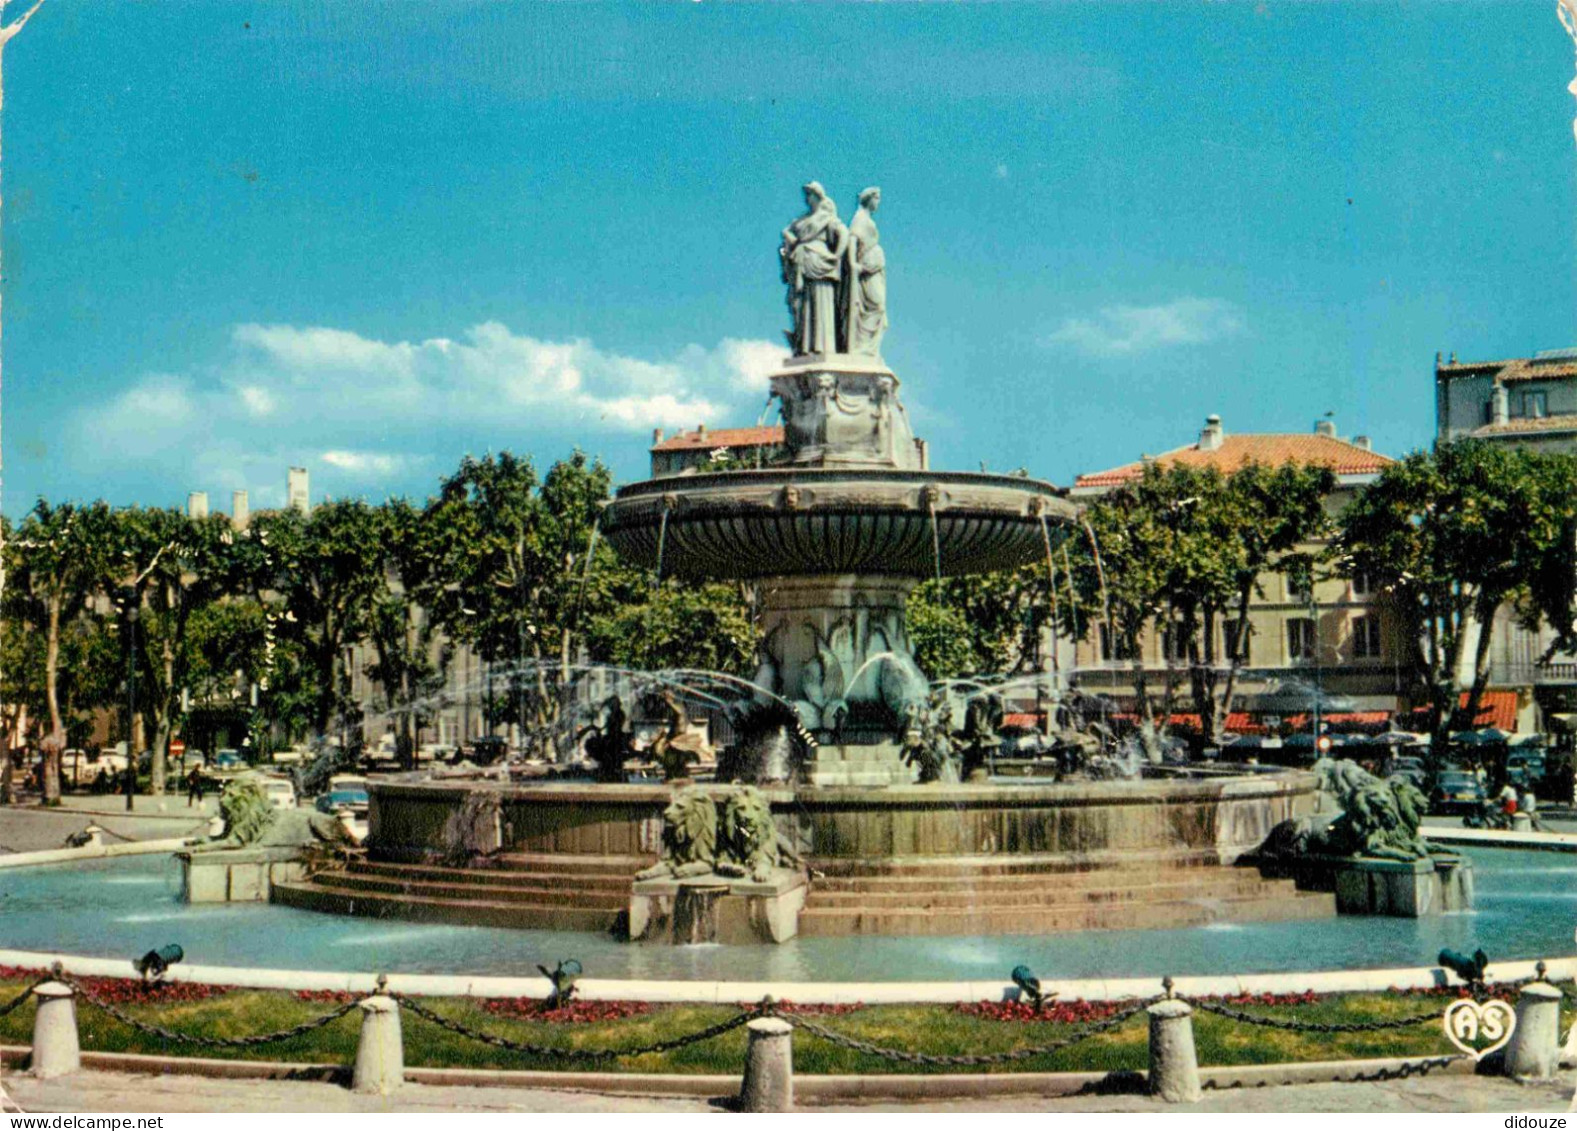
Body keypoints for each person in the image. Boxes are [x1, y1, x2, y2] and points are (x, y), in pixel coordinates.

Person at [779, 182, 847, 355]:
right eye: (806, 195)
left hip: (820, 262)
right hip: (802, 263)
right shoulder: (801, 220)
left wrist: (836, 255)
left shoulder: (826, 218)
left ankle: (822, 346)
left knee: (821, 302)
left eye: (810, 194)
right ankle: (805, 346)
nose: (807, 198)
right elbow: (787, 233)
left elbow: (843, 234)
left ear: (818, 196)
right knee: (802, 306)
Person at [845, 186, 888, 356]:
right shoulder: (860, 218)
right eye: (876, 198)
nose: (878, 202)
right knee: (876, 306)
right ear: (869, 199)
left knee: (878, 308)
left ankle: (868, 347)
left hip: (874, 270)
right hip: (866, 271)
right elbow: (852, 239)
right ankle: (862, 347)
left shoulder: (867, 218)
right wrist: (852, 263)